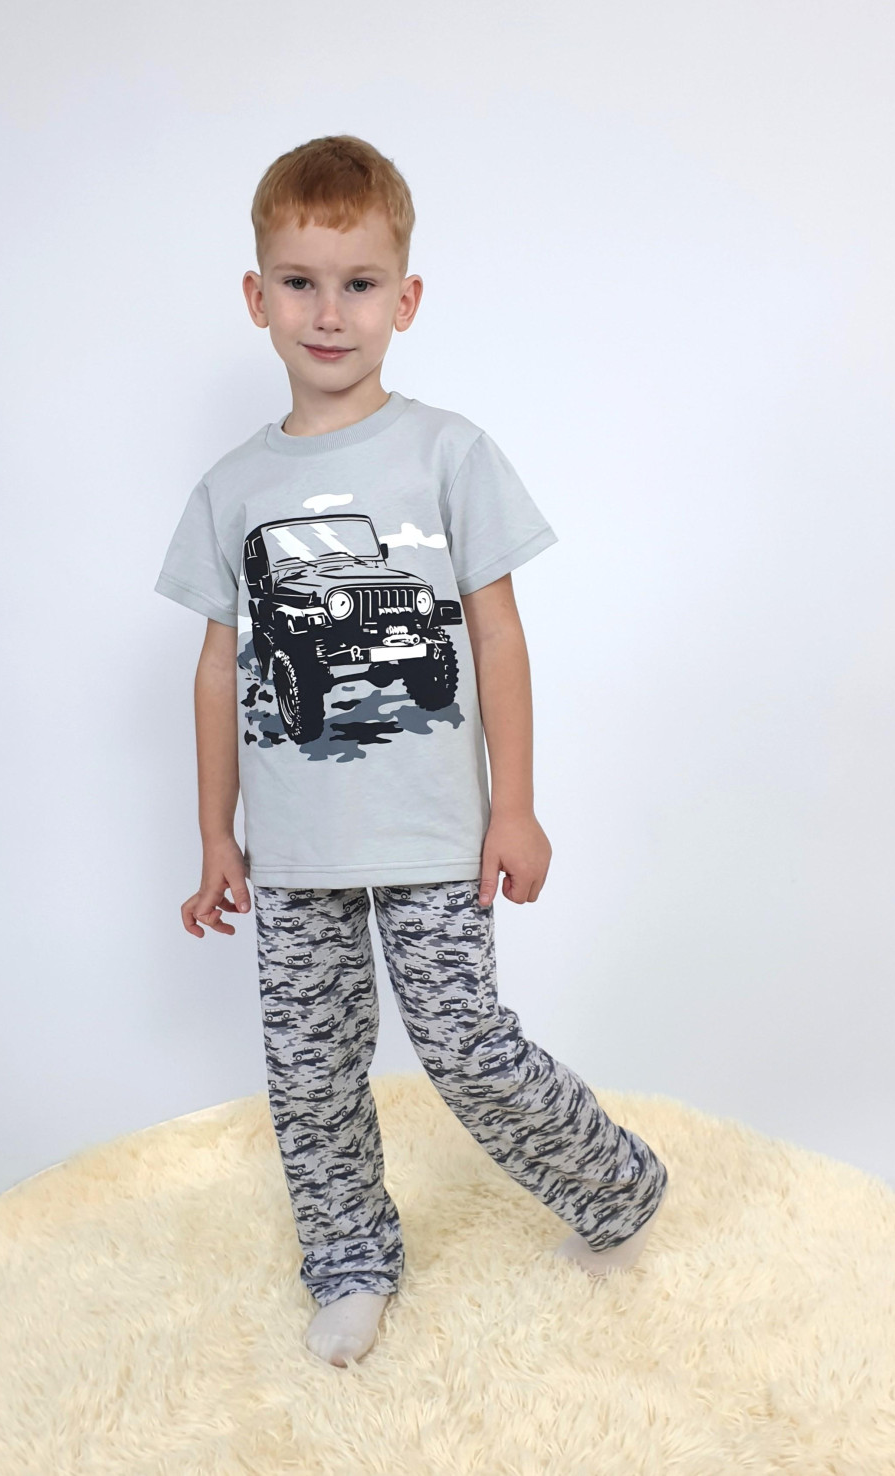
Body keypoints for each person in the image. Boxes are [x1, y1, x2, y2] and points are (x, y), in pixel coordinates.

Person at [153, 135, 669, 1368]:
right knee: (311, 1072)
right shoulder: (233, 488)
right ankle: (347, 1261)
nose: (328, 313)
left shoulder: (447, 452)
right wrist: (215, 834)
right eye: (299, 283)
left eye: (358, 284)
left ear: (406, 297)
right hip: (292, 850)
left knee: (464, 1043)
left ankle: (615, 1187)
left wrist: (515, 806)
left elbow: (494, 637)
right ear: (256, 297)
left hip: (435, 829)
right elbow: (219, 668)